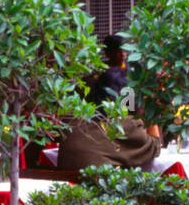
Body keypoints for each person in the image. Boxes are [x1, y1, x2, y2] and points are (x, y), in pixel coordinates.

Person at [60, 35, 161, 171]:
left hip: (66, 182)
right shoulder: (126, 126)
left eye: (124, 51)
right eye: (119, 51)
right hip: (98, 183)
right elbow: (155, 146)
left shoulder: (72, 120)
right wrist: (151, 108)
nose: (123, 55)